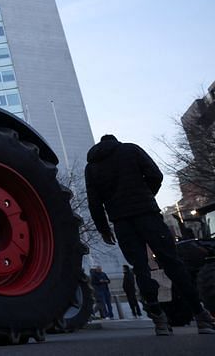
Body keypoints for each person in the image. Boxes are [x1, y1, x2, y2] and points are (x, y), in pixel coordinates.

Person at [85, 134, 215, 335]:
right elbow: (156, 175)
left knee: (140, 268)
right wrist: (147, 196)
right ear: (114, 140)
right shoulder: (130, 149)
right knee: (173, 263)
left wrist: (103, 228)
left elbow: (94, 203)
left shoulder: (92, 167)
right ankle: (200, 316)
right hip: (148, 215)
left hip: (121, 222)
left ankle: (159, 320)